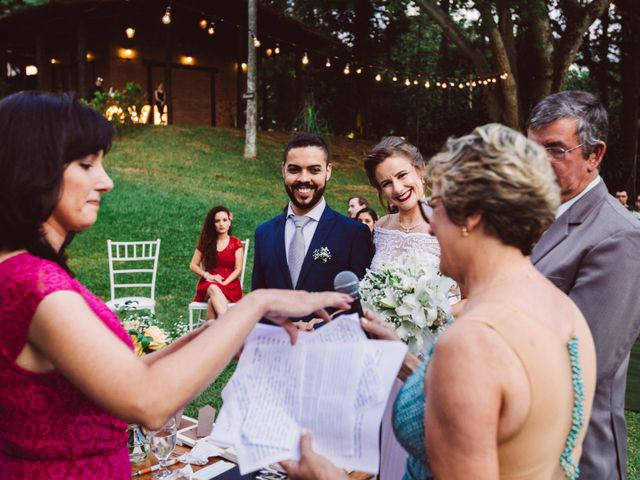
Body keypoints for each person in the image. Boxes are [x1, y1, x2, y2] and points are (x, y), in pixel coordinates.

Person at [0, 92, 352, 479]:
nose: (107, 182)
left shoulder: (23, 273)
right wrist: (258, 303)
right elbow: (147, 401)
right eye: (87, 164)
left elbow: (122, 377)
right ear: (34, 169)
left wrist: (216, 332)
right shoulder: (36, 285)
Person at [284, 123, 597, 480]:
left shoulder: (470, 344)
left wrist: (328, 478)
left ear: (471, 216)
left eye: (438, 207)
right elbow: (488, 410)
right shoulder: (564, 312)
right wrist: (402, 357)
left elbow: (474, 371)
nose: (431, 226)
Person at [527, 90, 640, 480]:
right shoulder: (533, 214)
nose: (539, 161)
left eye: (556, 149)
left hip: (577, 455)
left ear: (595, 155)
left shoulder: (619, 236)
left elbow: (586, 359)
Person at [362, 136, 443, 479]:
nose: (397, 188)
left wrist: (439, 310)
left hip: (426, 357)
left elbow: (471, 295)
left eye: (402, 175)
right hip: (376, 358)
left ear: (420, 171)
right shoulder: (379, 230)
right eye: (386, 183)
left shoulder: (448, 225)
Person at [251, 133, 374, 319]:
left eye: (314, 170)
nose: (303, 179)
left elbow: (362, 306)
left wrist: (317, 326)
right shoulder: (264, 233)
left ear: (328, 171)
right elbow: (258, 303)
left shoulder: (354, 234)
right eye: (294, 169)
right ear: (283, 170)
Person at [190, 206, 243, 320]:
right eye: (217, 221)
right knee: (213, 288)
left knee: (211, 303)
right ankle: (228, 324)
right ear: (213, 224)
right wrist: (208, 275)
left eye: (224, 220)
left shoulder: (236, 243)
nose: (221, 224)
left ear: (230, 221)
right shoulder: (206, 243)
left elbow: (238, 269)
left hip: (230, 284)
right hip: (209, 283)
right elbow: (193, 265)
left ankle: (210, 335)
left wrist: (225, 283)